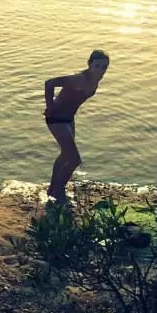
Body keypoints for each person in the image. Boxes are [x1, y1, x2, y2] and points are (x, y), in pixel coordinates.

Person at [44, 50, 110, 205]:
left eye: (104, 67)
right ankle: (59, 193)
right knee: (74, 159)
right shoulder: (79, 79)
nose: (101, 70)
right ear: (89, 64)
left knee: (65, 154)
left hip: (68, 119)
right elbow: (50, 83)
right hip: (56, 118)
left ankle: (53, 189)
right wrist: (50, 105)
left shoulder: (95, 80)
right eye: (97, 66)